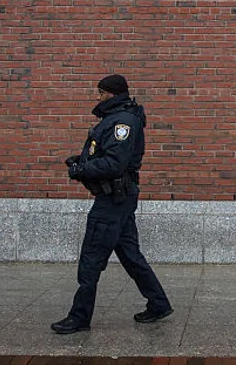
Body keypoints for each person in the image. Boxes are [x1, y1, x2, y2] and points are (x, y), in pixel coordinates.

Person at [52, 74, 172, 335]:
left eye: (101, 93)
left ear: (114, 95)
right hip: (120, 198)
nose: (98, 98)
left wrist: (82, 169)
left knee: (91, 259)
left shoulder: (123, 122)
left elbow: (114, 164)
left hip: (112, 200)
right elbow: (106, 155)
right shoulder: (116, 118)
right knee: (130, 255)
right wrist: (81, 160)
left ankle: (79, 317)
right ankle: (159, 303)